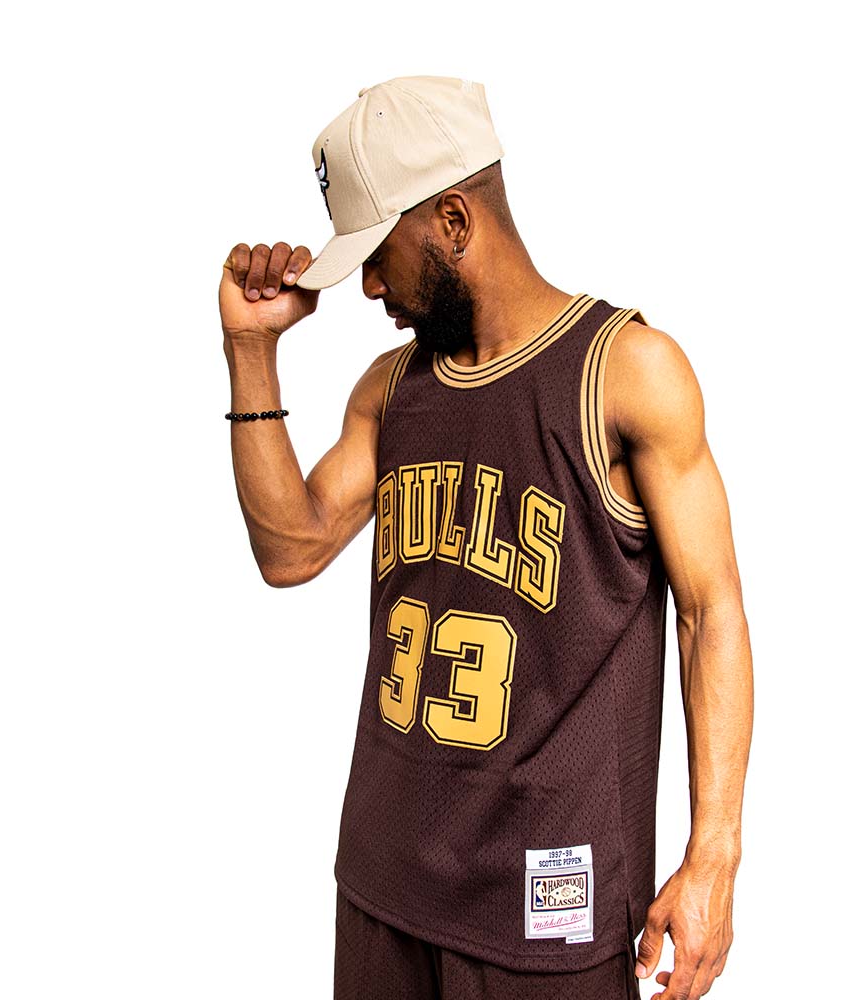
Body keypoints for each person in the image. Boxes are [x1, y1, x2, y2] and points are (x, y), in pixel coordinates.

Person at [218, 75, 753, 1000]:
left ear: (455, 221)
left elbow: (713, 615)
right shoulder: (391, 389)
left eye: (378, 255)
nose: (370, 286)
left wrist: (714, 857)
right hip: (384, 885)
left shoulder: (627, 373)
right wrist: (250, 350)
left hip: (547, 906)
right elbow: (291, 549)